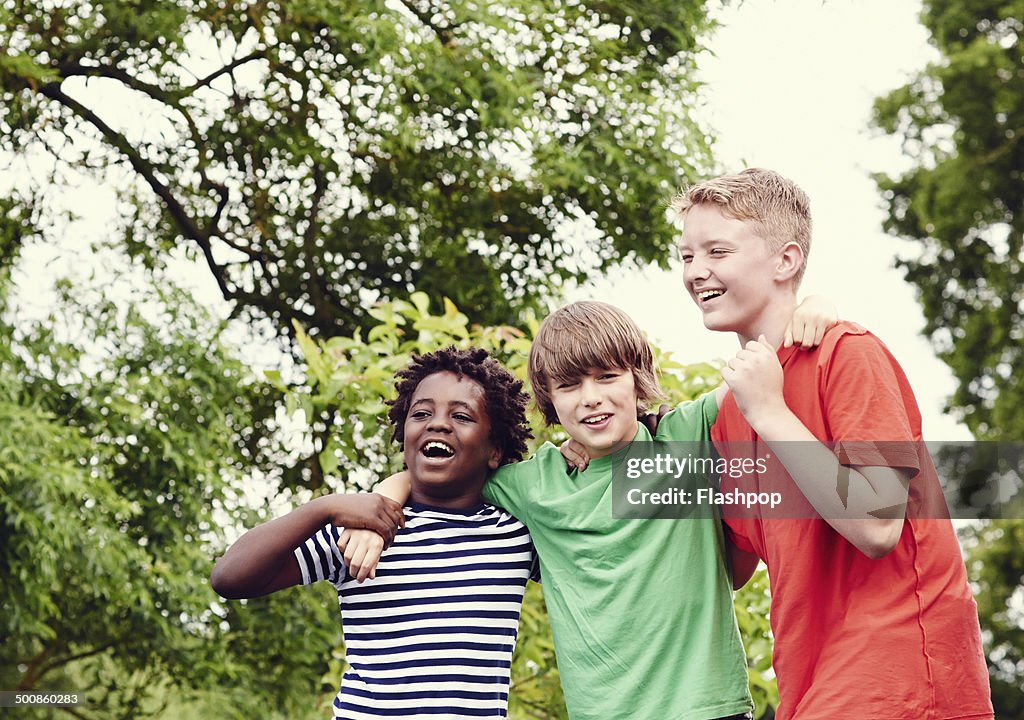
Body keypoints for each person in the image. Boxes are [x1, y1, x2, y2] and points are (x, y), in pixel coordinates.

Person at [348, 299, 836, 720]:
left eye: (607, 377)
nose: (591, 399)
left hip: (707, 708)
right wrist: (382, 505)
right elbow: (438, 472)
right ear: (549, 401)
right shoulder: (536, 484)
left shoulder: (689, 434)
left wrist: (815, 308)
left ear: (638, 380)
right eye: (569, 386)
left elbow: (775, 359)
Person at [673, 167, 993, 719]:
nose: (697, 271)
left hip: (902, 684)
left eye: (716, 251)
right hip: (810, 689)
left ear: (786, 260)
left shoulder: (848, 354)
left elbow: (876, 524)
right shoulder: (730, 409)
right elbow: (726, 567)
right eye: (685, 256)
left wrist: (771, 412)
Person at [210, 347, 537, 720]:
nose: (438, 424)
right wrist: (325, 507)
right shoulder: (360, 532)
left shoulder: (514, 536)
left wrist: (610, 447)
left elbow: (615, 548)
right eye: (421, 413)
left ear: (495, 450)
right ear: (405, 435)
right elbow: (229, 578)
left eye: (461, 416)